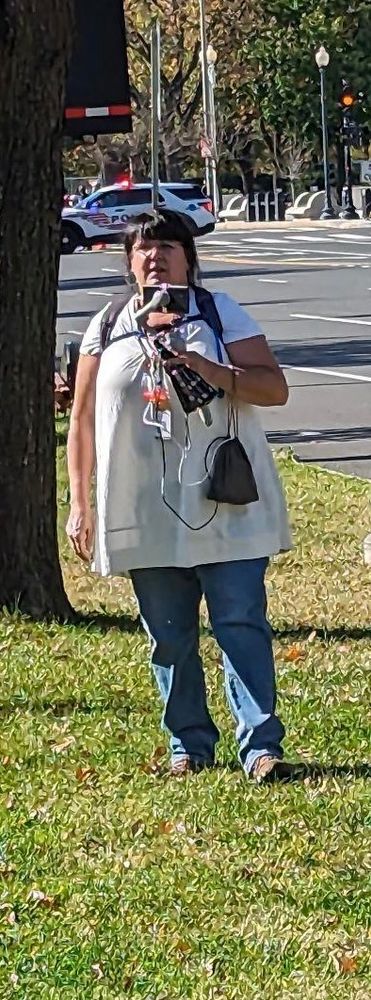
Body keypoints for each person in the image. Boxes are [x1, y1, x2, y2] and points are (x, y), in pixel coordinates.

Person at [66, 212, 296, 783]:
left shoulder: (220, 313)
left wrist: (210, 369)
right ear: (128, 262)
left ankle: (260, 748)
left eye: (168, 245)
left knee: (240, 622)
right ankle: (188, 746)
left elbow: (274, 388)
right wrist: (80, 503)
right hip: (144, 507)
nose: (155, 256)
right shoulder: (109, 323)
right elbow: (83, 420)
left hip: (224, 502)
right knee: (167, 635)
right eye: (144, 247)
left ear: (189, 259)